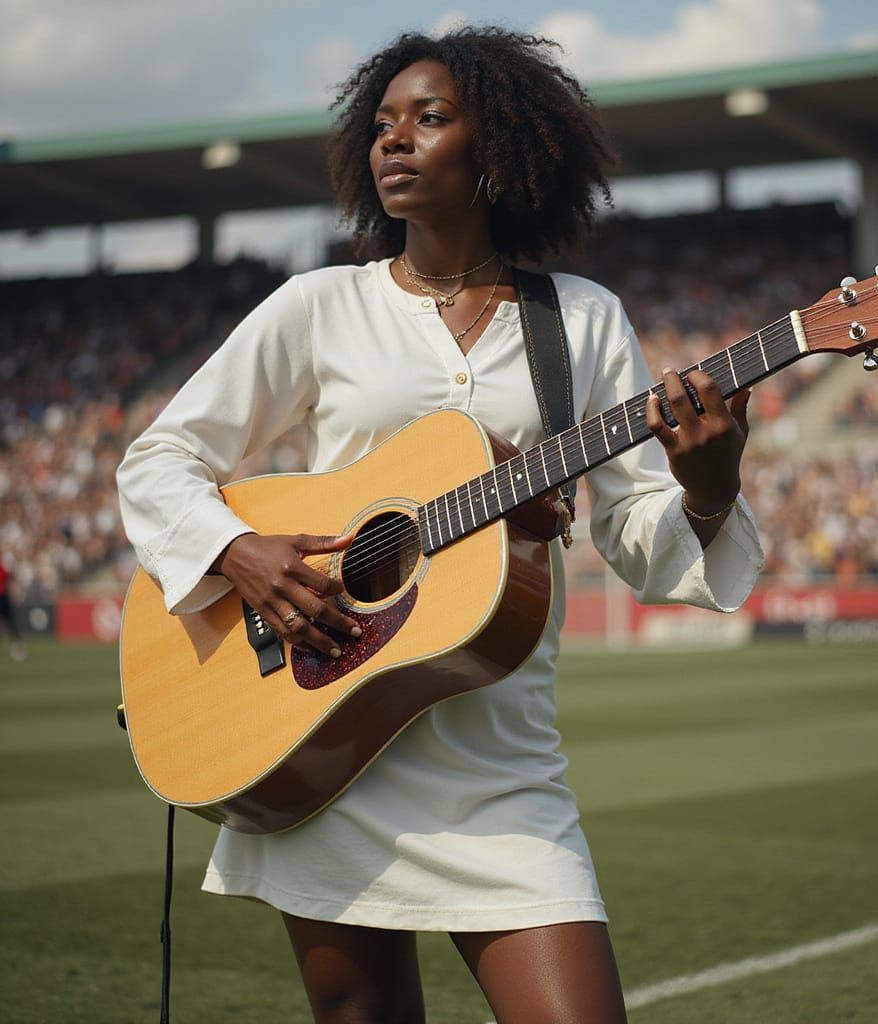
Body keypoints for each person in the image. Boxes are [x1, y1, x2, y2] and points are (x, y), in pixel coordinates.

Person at [117, 26, 763, 1024]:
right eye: (382, 125)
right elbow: (159, 459)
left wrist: (709, 486)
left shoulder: (581, 321)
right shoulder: (316, 307)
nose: (394, 141)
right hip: (323, 730)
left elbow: (638, 531)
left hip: (499, 758)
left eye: (428, 119)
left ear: (497, 147)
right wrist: (236, 552)